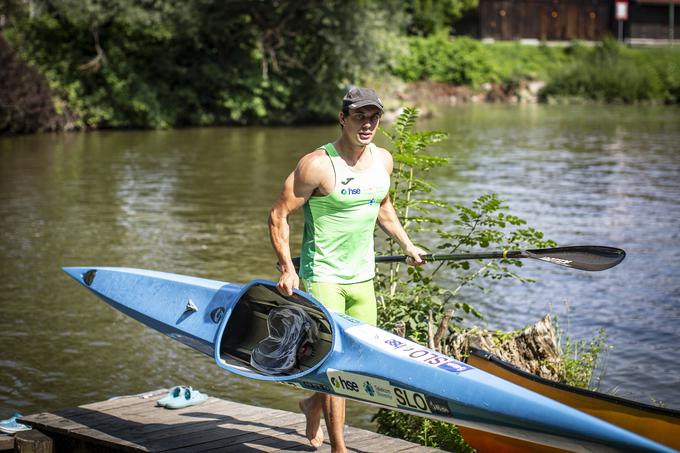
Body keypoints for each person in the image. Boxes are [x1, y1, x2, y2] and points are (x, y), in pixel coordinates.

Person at [268, 87, 426, 452]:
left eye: (373, 117)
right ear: (343, 118)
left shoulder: (383, 160)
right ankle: (339, 447)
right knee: (336, 365)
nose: (368, 123)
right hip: (324, 275)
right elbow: (278, 215)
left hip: (362, 276)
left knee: (356, 365)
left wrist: (407, 244)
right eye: (360, 116)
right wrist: (288, 268)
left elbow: (383, 206)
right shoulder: (318, 165)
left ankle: (311, 402)